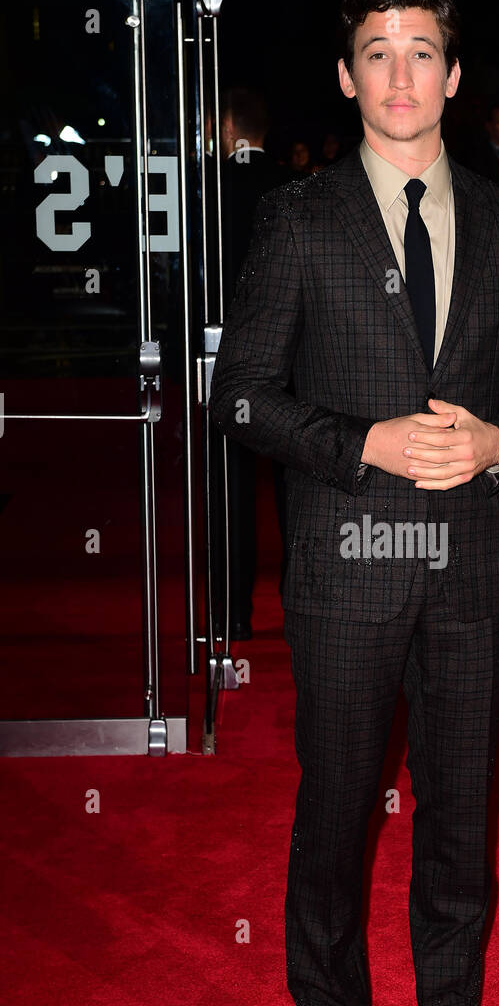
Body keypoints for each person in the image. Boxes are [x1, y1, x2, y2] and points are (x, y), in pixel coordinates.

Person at [210, 0, 499, 1006]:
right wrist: (358, 441)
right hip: (346, 563)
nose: (400, 73)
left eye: (421, 50)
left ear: (454, 76)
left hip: (474, 567)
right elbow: (242, 400)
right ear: (346, 75)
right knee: (335, 811)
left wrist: (497, 438)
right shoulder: (297, 220)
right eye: (377, 51)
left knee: (459, 812)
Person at [219, 86, 288, 636]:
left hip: (234, 361)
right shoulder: (296, 186)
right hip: (294, 364)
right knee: (300, 489)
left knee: (231, 489)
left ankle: (233, 616)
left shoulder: (213, 188)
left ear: (228, 127)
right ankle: (302, 610)